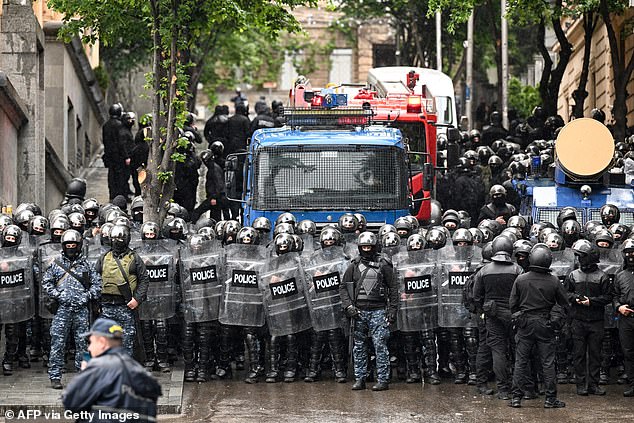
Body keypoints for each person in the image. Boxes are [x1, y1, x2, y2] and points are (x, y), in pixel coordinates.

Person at [62, 318, 162, 422]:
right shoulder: (143, 373)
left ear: (102, 342)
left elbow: (71, 404)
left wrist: (84, 373)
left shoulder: (98, 367)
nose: (89, 348)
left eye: (91, 342)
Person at [509, 244, 569, 408]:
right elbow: (564, 303)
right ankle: (550, 399)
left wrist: (520, 317)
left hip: (525, 323)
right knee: (548, 363)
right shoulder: (554, 280)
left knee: (521, 361)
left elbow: (512, 305)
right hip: (545, 323)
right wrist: (555, 318)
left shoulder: (521, 279)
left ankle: (516, 398)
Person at [42, 229, 102, 389]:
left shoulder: (87, 265)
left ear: (79, 245)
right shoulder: (55, 264)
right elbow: (46, 283)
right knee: (57, 343)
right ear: (63, 245)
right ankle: (55, 375)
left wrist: (87, 296)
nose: (70, 247)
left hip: (81, 310)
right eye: (68, 244)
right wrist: (58, 295)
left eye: (73, 244)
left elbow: (98, 285)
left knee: (82, 344)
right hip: (62, 310)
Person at [340, 231, 398, 391]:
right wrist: (348, 306)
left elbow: (393, 287)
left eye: (369, 246)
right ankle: (360, 378)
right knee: (359, 347)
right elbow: (344, 287)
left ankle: (383, 379)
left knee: (380, 345)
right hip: (358, 312)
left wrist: (393, 309)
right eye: (363, 246)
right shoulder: (354, 265)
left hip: (378, 311)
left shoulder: (384, 264)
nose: (366, 249)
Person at [473, 236, 523, 399]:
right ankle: (519, 387)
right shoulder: (517, 269)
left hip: (492, 317)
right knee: (518, 351)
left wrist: (485, 310)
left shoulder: (484, 271)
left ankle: (503, 390)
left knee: (498, 352)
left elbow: (476, 296)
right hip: (514, 316)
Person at [564, 239, 612, 396]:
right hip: (578, 320)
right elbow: (566, 293)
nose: (579, 259)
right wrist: (575, 298)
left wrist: (591, 302)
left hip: (596, 321)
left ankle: (593, 384)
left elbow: (608, 297)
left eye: (581, 256)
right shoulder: (573, 275)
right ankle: (580, 384)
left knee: (595, 354)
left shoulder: (602, 276)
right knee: (578, 354)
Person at [95, 224, 149, 356]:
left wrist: (137, 299)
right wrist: (96, 302)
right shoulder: (103, 258)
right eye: (114, 239)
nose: (117, 242)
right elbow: (95, 279)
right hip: (106, 306)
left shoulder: (134, 258)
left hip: (125, 306)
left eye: (120, 239)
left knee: (126, 342)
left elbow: (144, 280)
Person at [613, 239, 634, 397]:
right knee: (628, 351)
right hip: (626, 317)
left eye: (632, 252)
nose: (630, 256)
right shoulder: (620, 275)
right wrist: (619, 307)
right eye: (627, 253)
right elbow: (614, 296)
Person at [191, 141, 226, 222]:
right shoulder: (213, 168)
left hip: (215, 197)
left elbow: (218, 184)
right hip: (216, 197)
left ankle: (192, 223)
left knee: (198, 211)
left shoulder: (214, 169)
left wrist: (214, 197)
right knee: (215, 214)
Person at [102, 103, 130, 201]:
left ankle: (112, 195)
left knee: (111, 175)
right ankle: (120, 196)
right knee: (121, 177)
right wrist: (126, 156)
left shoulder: (106, 125)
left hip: (109, 155)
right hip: (119, 156)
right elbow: (121, 143)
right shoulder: (119, 125)